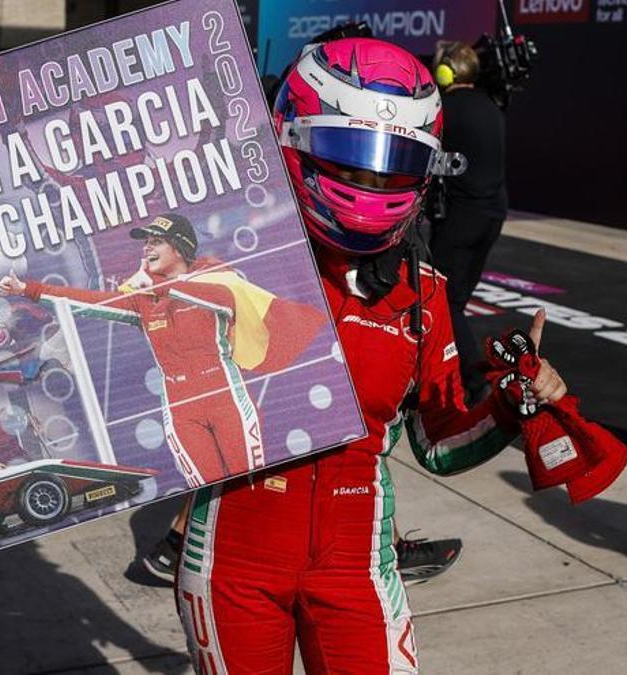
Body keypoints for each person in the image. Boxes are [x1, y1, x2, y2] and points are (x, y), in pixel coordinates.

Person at [173, 37, 568, 673]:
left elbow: (438, 444)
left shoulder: (423, 291)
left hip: (357, 562)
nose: (373, 184)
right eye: (352, 162)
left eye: (394, 167)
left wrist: (513, 402)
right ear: (292, 141)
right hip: (231, 562)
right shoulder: (224, 264)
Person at [0, 213, 324, 487]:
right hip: (180, 413)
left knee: (248, 492)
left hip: (228, 402)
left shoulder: (218, 280)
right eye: (145, 242)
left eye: (156, 241)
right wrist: (29, 289)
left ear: (180, 247)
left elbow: (213, 297)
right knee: (209, 496)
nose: (147, 248)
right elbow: (87, 303)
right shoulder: (144, 299)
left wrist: (161, 286)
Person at [429, 40, 510, 401]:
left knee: (443, 298)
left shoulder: (444, 108)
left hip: (463, 217)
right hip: (493, 216)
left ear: (446, 73)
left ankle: (473, 383)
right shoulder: (492, 106)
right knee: (457, 299)